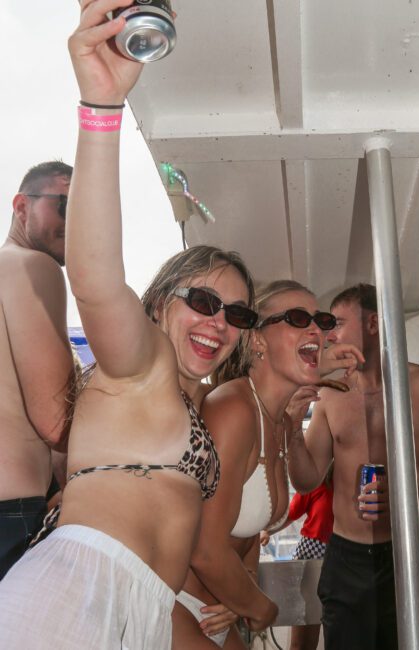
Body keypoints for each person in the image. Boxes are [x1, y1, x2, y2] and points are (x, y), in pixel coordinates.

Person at [0, 3, 257, 648]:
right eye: (202, 300)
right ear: (163, 300)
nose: (218, 322)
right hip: (72, 597)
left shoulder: (191, 401)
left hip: (141, 605)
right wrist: (102, 108)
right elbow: (93, 276)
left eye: (237, 314)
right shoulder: (142, 363)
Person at [287, 283, 419, 650]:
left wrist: (412, 500)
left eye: (339, 324)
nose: (330, 335)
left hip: (412, 550)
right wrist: (290, 429)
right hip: (346, 557)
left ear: (374, 323)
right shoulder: (330, 395)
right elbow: (307, 478)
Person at [172, 280, 361, 649]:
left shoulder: (272, 419)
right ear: (257, 340)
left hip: (215, 610)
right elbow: (204, 547)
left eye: (320, 321)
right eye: (296, 318)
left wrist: (240, 591)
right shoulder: (235, 409)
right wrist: (262, 608)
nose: (315, 329)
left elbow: (251, 531)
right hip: (175, 601)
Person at [0, 160, 75, 579]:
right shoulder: (34, 267)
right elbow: (56, 420)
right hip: (13, 516)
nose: (76, 220)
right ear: (21, 206)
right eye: (64, 204)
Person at [260, 469, 334, 650]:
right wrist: (267, 531)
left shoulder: (355, 483)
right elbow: (290, 513)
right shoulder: (316, 482)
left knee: (339, 634)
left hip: (341, 557)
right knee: (304, 640)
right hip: (311, 559)